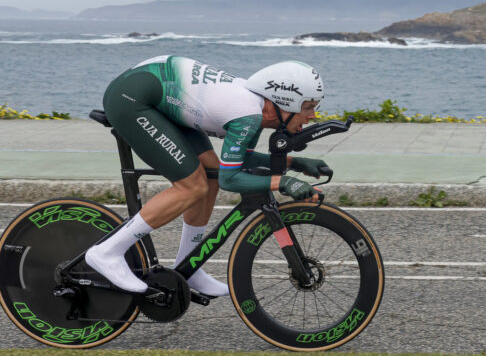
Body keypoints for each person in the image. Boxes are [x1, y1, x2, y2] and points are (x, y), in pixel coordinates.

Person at [85, 56, 329, 297]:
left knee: (209, 176)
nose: (312, 117)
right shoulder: (248, 116)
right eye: (308, 107)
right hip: (132, 99)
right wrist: (283, 182)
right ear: (285, 101)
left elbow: (237, 160)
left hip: (161, 99)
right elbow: (230, 179)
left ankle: (188, 267)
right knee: (192, 186)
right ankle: (107, 252)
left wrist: (295, 163)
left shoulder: (257, 112)